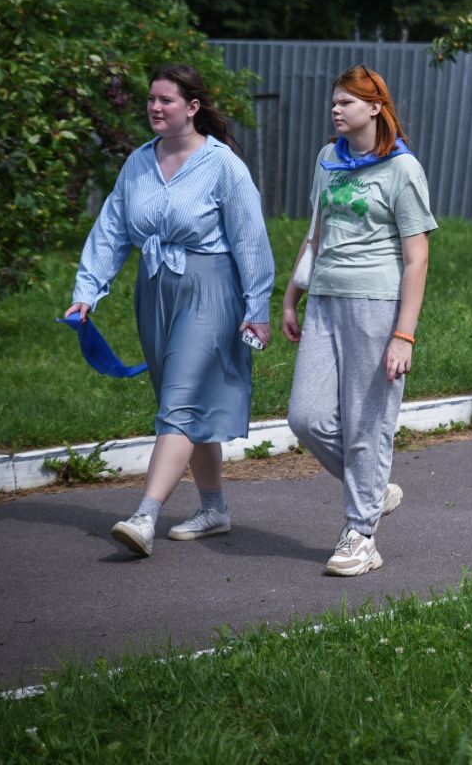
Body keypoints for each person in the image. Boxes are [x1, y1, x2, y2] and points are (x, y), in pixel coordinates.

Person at [68, 64, 275, 558]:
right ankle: (214, 509)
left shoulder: (223, 165)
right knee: (184, 401)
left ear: (192, 108)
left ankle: (145, 516)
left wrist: (257, 307)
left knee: (180, 402)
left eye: (166, 100)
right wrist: (87, 291)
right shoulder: (139, 162)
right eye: (151, 99)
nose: (155, 108)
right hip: (155, 291)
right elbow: (112, 229)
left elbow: (251, 241)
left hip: (211, 289)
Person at [284, 65, 435, 576]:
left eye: (346, 101)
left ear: (375, 107)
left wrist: (404, 334)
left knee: (367, 422)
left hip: (377, 305)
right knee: (306, 417)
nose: (336, 109)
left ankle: (361, 534)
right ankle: (372, 488)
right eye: (335, 101)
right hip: (325, 299)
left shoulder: (402, 168)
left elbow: (417, 258)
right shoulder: (328, 158)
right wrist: (292, 296)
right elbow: (316, 232)